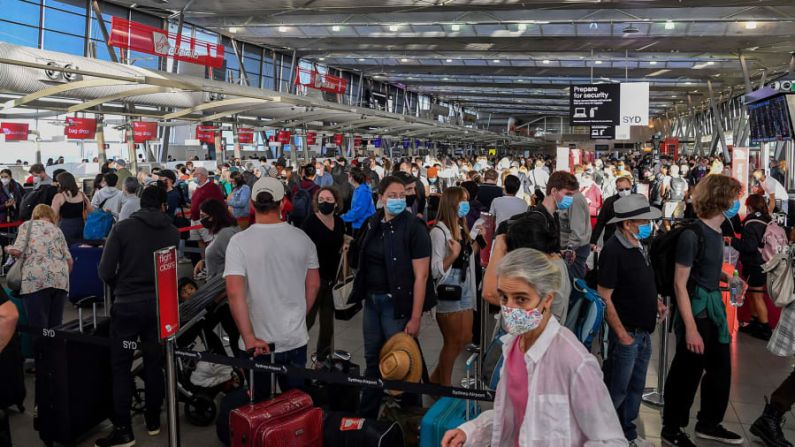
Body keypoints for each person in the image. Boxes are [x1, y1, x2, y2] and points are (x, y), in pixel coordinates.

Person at [441, 248, 626, 447]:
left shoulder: (574, 361)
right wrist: (470, 432)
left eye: (521, 299)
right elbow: (515, 415)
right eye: (504, 297)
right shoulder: (512, 347)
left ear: (547, 299)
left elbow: (611, 440)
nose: (510, 308)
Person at [661, 174, 744, 447]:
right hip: (695, 312)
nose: (736, 203)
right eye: (733, 197)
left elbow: (705, 267)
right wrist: (691, 329)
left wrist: (727, 278)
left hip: (712, 310)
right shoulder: (691, 234)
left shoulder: (717, 232)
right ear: (721, 199)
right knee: (686, 373)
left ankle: (709, 423)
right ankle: (671, 429)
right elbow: (680, 283)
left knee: (720, 371)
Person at [95, 186, 180, 447]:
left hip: (128, 304)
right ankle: (153, 419)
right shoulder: (173, 232)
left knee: (121, 366)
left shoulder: (123, 229)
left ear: (140, 203)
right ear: (164, 205)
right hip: (160, 306)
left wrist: (120, 285)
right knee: (155, 362)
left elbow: (105, 270)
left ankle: (123, 430)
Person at [223, 176, 320, 404]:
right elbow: (313, 284)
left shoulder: (239, 242)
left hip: (257, 341)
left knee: (259, 406)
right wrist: (298, 314)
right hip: (294, 337)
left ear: (251, 204)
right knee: (294, 405)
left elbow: (234, 293)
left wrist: (248, 338)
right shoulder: (302, 239)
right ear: (283, 203)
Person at [349, 176, 431, 418]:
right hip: (372, 303)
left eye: (401, 196)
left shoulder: (414, 228)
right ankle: (366, 419)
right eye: (391, 195)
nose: (397, 200)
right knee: (374, 360)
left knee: (404, 362)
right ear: (380, 197)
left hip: (396, 305)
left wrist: (415, 317)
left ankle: (410, 418)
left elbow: (422, 276)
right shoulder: (373, 223)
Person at [598, 194, 666, 447]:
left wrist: (655, 303)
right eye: (643, 220)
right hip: (626, 333)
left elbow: (640, 283)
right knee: (617, 389)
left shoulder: (638, 245)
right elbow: (605, 297)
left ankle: (626, 433)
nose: (649, 225)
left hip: (643, 333)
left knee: (635, 387)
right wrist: (622, 335)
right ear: (627, 224)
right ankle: (606, 436)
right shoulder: (614, 251)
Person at [429, 186, 478, 387]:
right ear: (452, 204)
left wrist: (477, 239)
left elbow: (467, 256)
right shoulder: (438, 232)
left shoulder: (460, 226)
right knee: (452, 341)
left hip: (465, 285)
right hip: (448, 289)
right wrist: (454, 255)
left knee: (465, 337)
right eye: (462, 201)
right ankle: (444, 387)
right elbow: (435, 270)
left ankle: (435, 378)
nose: (466, 204)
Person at [5, 204, 72, 335]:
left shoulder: (27, 225)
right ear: (51, 216)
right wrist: (59, 276)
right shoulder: (57, 230)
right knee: (56, 327)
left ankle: (41, 354)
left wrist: (7, 249)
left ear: (35, 215)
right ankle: (55, 354)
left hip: (35, 280)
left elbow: (17, 251)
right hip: (60, 281)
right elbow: (69, 261)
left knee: (38, 327)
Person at [301, 187, 346, 357]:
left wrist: (345, 247)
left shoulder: (339, 222)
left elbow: (341, 242)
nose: (324, 202)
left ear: (336, 202)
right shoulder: (310, 223)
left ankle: (322, 358)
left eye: (328, 199)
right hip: (313, 281)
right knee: (307, 321)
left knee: (328, 325)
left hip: (331, 281)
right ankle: (295, 355)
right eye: (321, 199)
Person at [731, 194, 773, 340]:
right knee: (754, 294)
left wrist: (732, 241)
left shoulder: (751, 222)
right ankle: (756, 323)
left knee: (757, 295)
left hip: (755, 263)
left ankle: (765, 328)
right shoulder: (765, 219)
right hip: (764, 262)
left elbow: (749, 246)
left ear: (749, 205)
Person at [193, 199, 241, 279]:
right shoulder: (222, 231)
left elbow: (236, 262)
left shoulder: (225, 234)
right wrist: (204, 262)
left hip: (222, 286)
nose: (201, 220)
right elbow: (221, 256)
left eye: (203, 216)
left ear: (213, 215)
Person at [51, 172, 92, 246]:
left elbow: (54, 215)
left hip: (65, 227)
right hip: (81, 227)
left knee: (67, 250)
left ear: (61, 183)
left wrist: (54, 230)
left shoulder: (59, 196)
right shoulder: (82, 195)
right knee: (79, 250)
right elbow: (90, 210)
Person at [559, 191, 592, 279]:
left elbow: (577, 232)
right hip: (573, 249)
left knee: (574, 283)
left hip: (575, 250)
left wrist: (569, 250)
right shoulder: (570, 198)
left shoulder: (574, 199)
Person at [592, 176, 632, 247]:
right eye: (621, 189)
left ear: (631, 187)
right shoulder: (609, 202)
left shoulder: (637, 200)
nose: (624, 191)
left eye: (627, 189)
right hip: (612, 239)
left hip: (631, 239)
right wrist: (593, 241)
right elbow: (601, 222)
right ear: (617, 189)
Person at [189, 167, 225, 249]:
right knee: (200, 241)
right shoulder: (198, 187)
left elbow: (219, 203)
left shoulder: (212, 187)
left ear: (202, 175)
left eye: (195, 174)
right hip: (195, 219)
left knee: (209, 242)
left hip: (205, 220)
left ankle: (210, 260)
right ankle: (203, 260)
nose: (193, 176)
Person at [341, 167, 376, 236]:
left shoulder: (362, 191)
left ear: (353, 178)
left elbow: (358, 211)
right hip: (360, 224)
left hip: (363, 225)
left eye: (349, 176)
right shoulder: (359, 189)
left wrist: (343, 217)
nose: (347, 178)